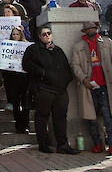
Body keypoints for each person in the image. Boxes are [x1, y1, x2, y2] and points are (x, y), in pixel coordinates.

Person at [70, 20, 112, 155]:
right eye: (88, 29)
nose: (91, 31)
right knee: (91, 118)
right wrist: (84, 79)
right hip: (89, 86)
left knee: (108, 116)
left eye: (93, 28)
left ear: (97, 29)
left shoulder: (107, 42)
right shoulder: (78, 46)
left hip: (106, 85)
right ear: (84, 31)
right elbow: (75, 65)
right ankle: (97, 144)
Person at [23, 25, 78, 154]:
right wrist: (42, 73)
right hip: (44, 89)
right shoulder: (33, 49)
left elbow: (66, 67)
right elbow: (27, 65)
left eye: (49, 33)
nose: (47, 36)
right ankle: (43, 144)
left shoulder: (58, 50)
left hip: (60, 90)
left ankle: (62, 144)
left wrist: (66, 80)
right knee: (42, 117)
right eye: (44, 34)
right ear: (39, 36)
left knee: (61, 118)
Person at [1, 26, 30, 134]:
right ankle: (18, 125)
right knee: (16, 103)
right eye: (13, 34)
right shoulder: (7, 45)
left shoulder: (27, 45)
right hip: (12, 78)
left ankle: (25, 124)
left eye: (17, 34)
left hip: (24, 78)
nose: (15, 36)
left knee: (25, 102)